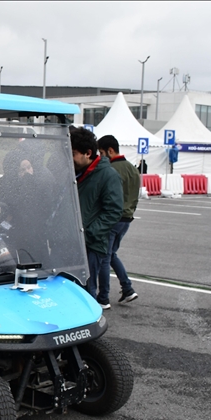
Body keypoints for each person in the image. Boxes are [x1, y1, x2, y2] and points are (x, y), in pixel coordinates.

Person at [69, 127, 123, 310]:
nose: (70, 159)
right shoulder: (77, 173)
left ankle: (89, 330)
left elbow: (113, 211)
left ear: (88, 153)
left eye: (74, 154)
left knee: (86, 290)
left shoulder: (108, 176)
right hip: (72, 243)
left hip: (91, 244)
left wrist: (89, 234)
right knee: (70, 289)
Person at [98, 135, 140, 305]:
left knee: (104, 258)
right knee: (111, 254)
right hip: (127, 219)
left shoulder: (112, 170)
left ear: (110, 150)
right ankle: (127, 288)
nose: (100, 157)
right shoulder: (132, 168)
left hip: (112, 219)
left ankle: (103, 298)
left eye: (101, 153)